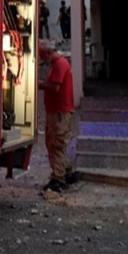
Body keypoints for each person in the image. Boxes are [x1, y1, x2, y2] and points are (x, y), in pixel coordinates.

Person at [38, 40, 77, 193]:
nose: (42, 60)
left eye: (42, 56)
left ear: (48, 53)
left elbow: (55, 87)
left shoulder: (59, 65)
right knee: (57, 143)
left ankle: (58, 178)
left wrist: (38, 84)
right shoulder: (58, 64)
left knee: (56, 144)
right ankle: (66, 172)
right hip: (58, 111)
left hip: (59, 112)